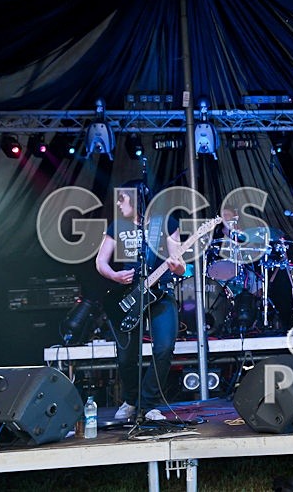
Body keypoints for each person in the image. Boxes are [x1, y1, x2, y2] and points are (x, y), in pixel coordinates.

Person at [96, 181, 185, 422]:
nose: (117, 203)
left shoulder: (166, 223)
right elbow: (101, 261)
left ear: (136, 200)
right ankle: (131, 400)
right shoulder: (118, 226)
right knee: (127, 356)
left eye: (121, 199)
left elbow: (180, 265)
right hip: (129, 295)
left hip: (160, 293)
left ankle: (149, 404)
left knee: (164, 347)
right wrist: (114, 275)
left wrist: (178, 266)